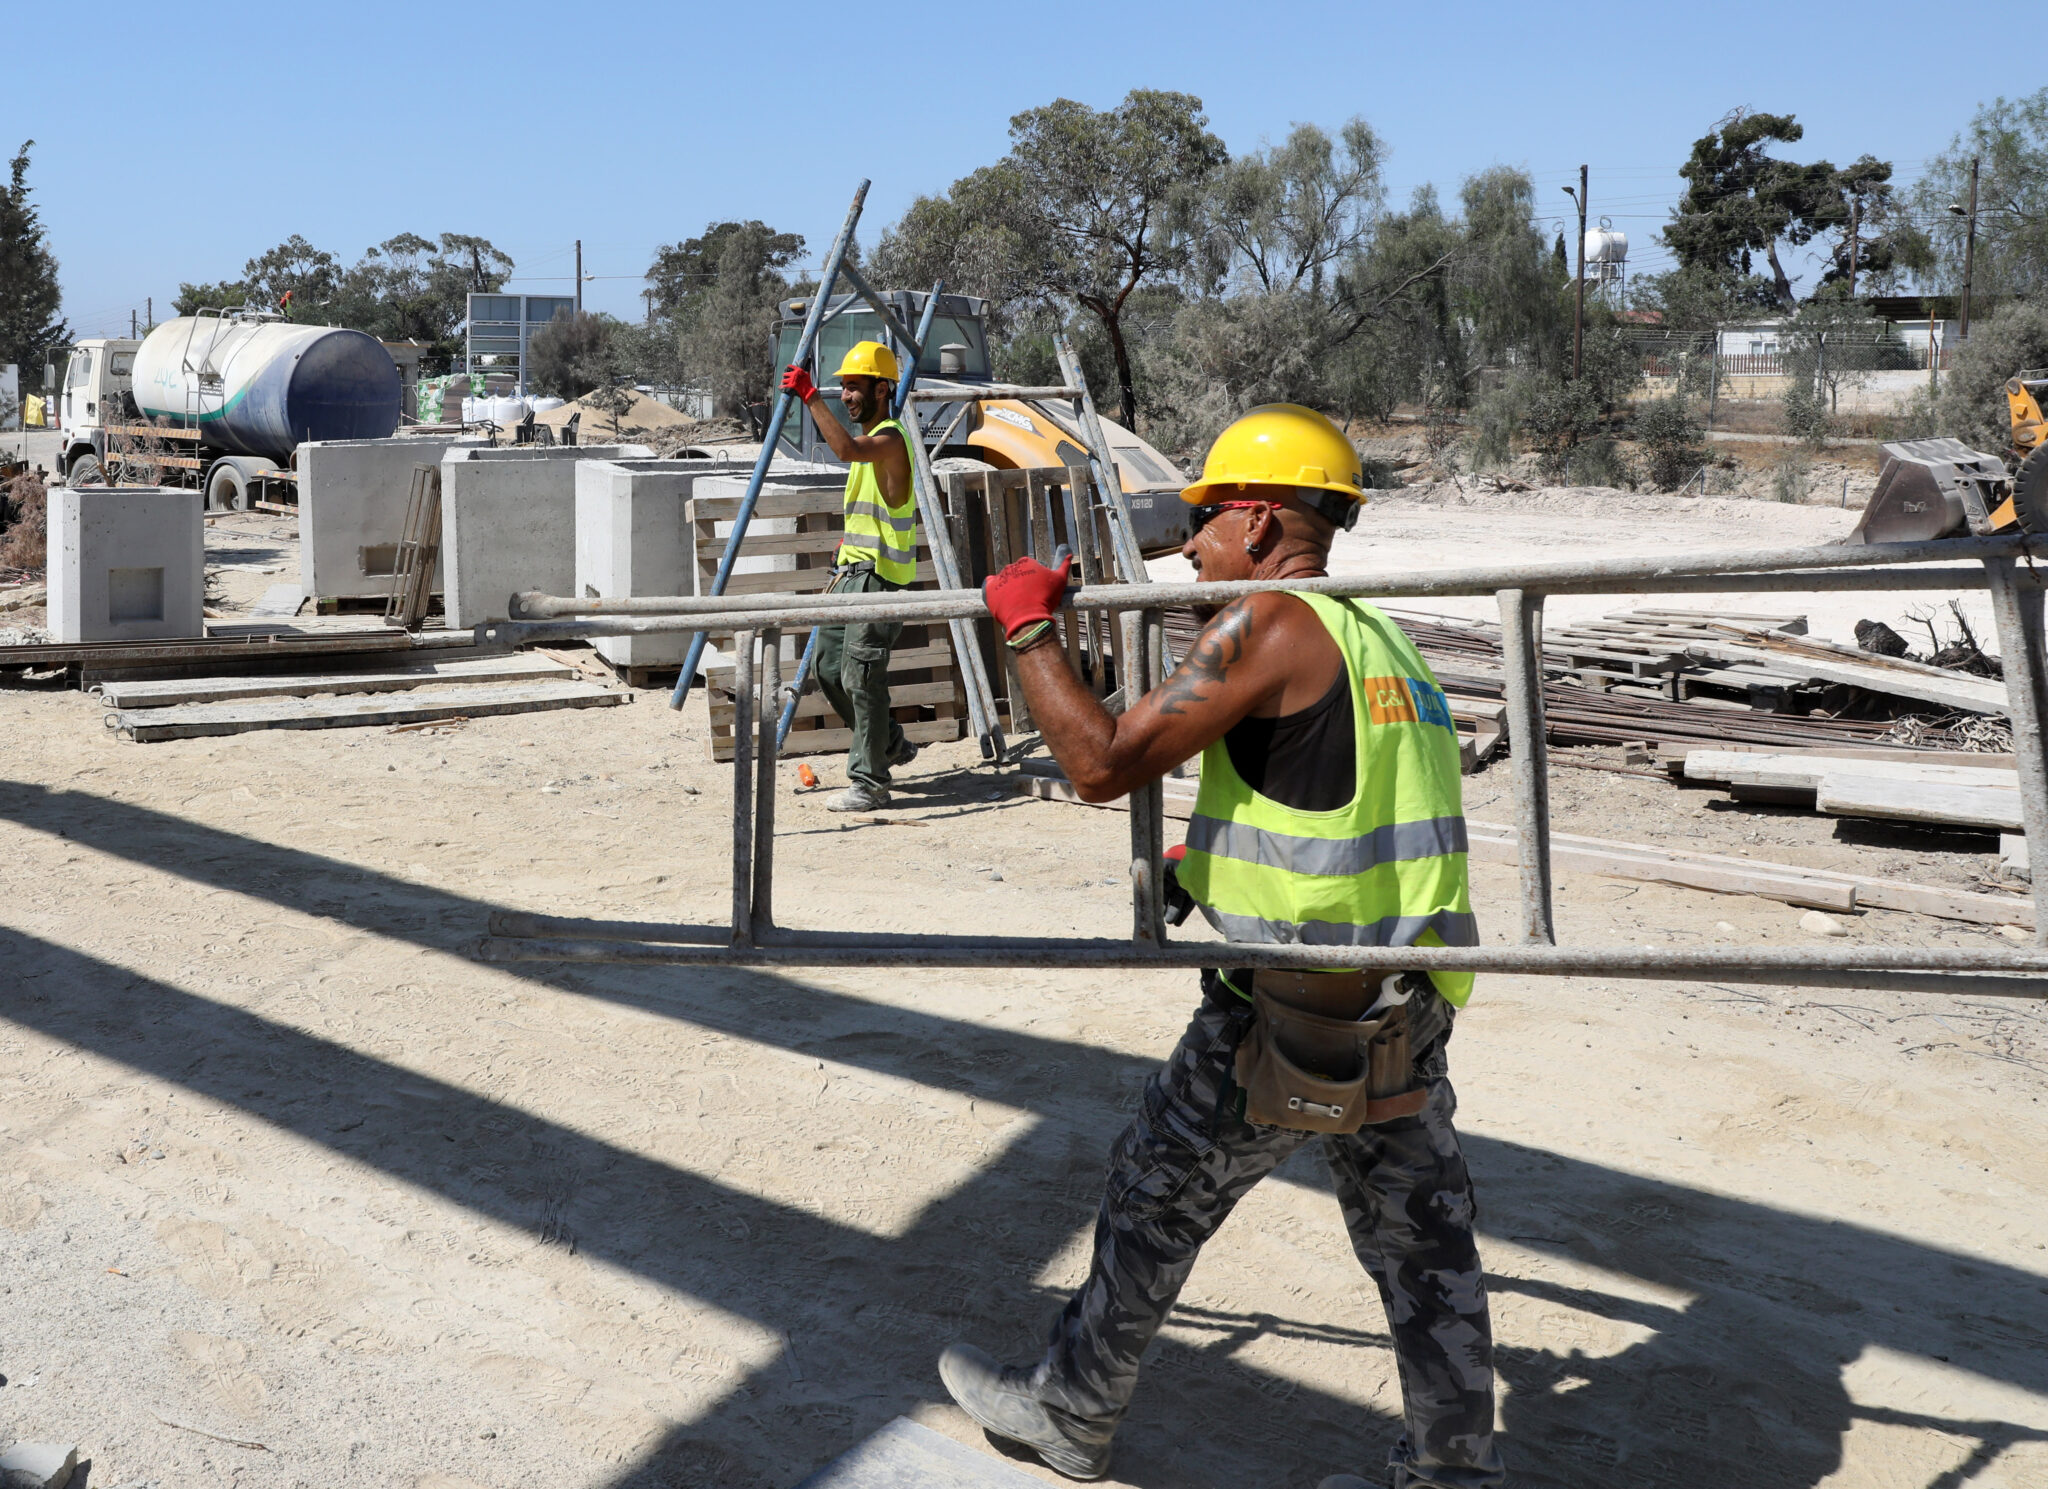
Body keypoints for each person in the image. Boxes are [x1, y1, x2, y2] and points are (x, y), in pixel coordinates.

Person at [941, 404, 1503, 1489]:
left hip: (1288, 1009)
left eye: (1200, 522)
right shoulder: (1377, 637)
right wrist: (1200, 869)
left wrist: (1025, 627)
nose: (1188, 548)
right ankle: (1449, 1474)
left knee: (1154, 1193)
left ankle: (1067, 1411)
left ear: (1253, 520)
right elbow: (1327, 804)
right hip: (1404, 998)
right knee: (1424, 1253)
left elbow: (1101, 764)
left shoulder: (1266, 623)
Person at [780, 341, 921, 812]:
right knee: (826, 670)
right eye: (842, 386)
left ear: (882, 389)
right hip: (851, 574)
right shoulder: (874, 442)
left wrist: (810, 395)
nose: (847, 395)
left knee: (861, 677)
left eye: (854, 386)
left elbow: (843, 449)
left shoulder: (890, 439)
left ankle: (870, 783)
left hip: (879, 579)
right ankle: (890, 742)